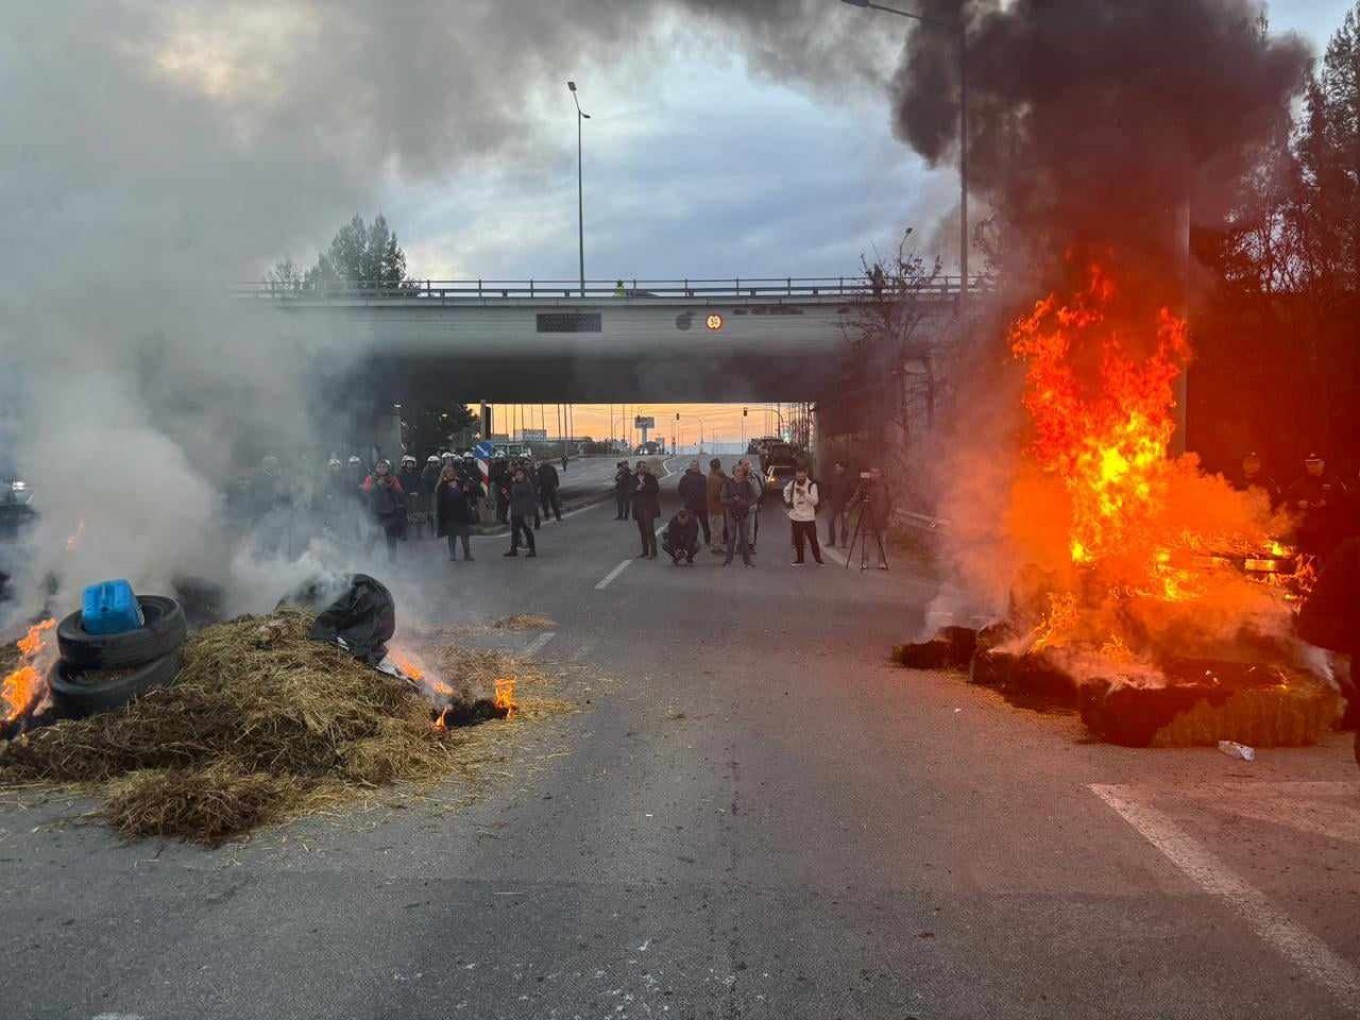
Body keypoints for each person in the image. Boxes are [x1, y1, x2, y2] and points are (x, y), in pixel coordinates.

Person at [1286, 453, 1351, 559]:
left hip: (1328, 531)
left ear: (1322, 463)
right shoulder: (1298, 484)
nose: (1312, 466)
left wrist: (1327, 502)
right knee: (1305, 562)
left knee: (1327, 561)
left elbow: (1345, 501)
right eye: (1309, 463)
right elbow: (1287, 501)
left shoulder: (1334, 481)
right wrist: (1298, 503)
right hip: (1305, 532)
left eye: (1316, 463)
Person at [361, 459, 407, 558]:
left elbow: (400, 492)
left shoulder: (392, 479)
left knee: (391, 537)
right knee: (372, 535)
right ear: (376, 468)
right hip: (375, 511)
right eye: (379, 467)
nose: (381, 469)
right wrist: (377, 485)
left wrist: (388, 485)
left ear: (388, 468)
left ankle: (392, 560)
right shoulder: (371, 478)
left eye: (384, 467)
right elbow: (366, 490)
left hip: (390, 511)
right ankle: (366, 556)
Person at [848, 467, 890, 570]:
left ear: (880, 474)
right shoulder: (865, 485)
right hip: (868, 518)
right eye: (872, 472)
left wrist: (890, 514)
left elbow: (890, 500)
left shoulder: (885, 486)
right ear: (870, 474)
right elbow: (856, 497)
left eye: (876, 473)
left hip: (882, 519)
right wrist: (849, 507)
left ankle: (882, 562)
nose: (874, 475)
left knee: (882, 542)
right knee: (867, 541)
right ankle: (865, 561)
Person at [722, 462, 761, 567]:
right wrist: (733, 501)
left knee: (744, 538)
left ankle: (747, 561)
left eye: (741, 471)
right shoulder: (728, 484)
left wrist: (744, 503)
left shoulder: (747, 484)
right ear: (733, 473)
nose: (740, 473)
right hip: (731, 514)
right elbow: (723, 499)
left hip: (744, 514)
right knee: (731, 537)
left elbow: (754, 497)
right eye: (738, 471)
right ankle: (728, 561)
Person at [434, 464, 475, 561]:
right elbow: (440, 502)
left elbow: (467, 496)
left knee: (464, 535)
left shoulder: (460, 483)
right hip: (450, 514)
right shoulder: (442, 486)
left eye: (452, 471)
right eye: (448, 472)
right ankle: (452, 555)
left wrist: (467, 491)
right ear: (444, 474)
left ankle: (467, 554)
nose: (451, 473)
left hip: (461, 513)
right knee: (452, 536)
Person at [784, 465, 823, 565]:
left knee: (813, 539)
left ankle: (818, 559)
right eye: (798, 476)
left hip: (808, 517)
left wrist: (804, 493)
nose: (800, 478)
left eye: (802, 476)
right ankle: (800, 559)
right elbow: (786, 490)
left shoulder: (812, 485)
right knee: (798, 540)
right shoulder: (792, 483)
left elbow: (815, 501)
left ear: (806, 474)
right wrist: (788, 500)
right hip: (796, 516)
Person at [503, 466, 538, 557]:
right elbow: (512, 495)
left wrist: (530, 512)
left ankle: (532, 550)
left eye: (520, 474)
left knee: (527, 531)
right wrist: (506, 494)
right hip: (515, 511)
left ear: (524, 475)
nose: (518, 476)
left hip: (524, 511)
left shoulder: (527, 484)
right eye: (517, 475)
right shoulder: (514, 484)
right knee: (514, 531)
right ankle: (513, 549)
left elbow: (528, 496)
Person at [676, 459, 710, 546]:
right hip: (691, 506)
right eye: (693, 466)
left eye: (696, 466)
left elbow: (708, 490)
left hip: (702, 506)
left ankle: (708, 540)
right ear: (690, 467)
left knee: (705, 523)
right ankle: (693, 540)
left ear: (698, 467)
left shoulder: (703, 477)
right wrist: (687, 498)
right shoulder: (685, 478)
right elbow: (680, 490)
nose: (695, 467)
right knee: (693, 524)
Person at [632, 460, 661, 559]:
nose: (642, 469)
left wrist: (644, 487)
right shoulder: (633, 478)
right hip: (638, 507)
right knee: (642, 531)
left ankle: (653, 552)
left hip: (648, 507)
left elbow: (656, 489)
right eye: (640, 467)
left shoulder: (651, 478)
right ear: (637, 468)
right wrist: (636, 489)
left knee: (650, 530)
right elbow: (629, 491)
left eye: (644, 467)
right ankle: (645, 551)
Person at [737, 457, 764, 553]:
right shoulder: (737, 477)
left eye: (748, 464)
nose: (747, 466)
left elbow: (759, 491)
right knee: (740, 527)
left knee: (752, 527)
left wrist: (757, 502)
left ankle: (750, 546)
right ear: (740, 466)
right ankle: (740, 546)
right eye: (745, 464)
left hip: (751, 507)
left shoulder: (754, 477)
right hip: (740, 507)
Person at [824, 461, 852, 548]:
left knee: (845, 525)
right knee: (830, 522)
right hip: (832, 504)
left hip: (844, 504)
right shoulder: (831, 478)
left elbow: (851, 492)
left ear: (843, 468)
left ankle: (844, 542)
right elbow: (827, 489)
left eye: (838, 467)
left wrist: (849, 502)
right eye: (836, 467)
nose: (836, 469)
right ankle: (831, 540)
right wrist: (826, 500)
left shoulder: (848, 479)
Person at [706, 457, 728, 552]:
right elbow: (716, 494)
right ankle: (716, 546)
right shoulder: (716, 479)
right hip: (717, 507)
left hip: (712, 506)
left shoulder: (710, 476)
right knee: (718, 528)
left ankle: (715, 544)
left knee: (714, 527)